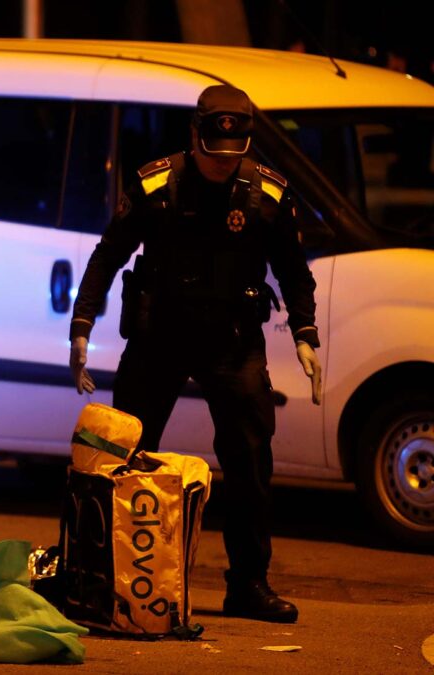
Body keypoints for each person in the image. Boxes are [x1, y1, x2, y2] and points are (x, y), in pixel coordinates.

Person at [68, 84, 322, 624]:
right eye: (212, 154)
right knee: (125, 455)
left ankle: (249, 584)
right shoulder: (156, 184)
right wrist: (82, 324)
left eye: (233, 157)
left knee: (251, 461)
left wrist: (305, 332)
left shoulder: (267, 193)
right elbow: (108, 254)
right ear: (194, 136)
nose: (221, 166)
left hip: (232, 339)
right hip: (159, 336)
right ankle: (110, 579)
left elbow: (294, 271)